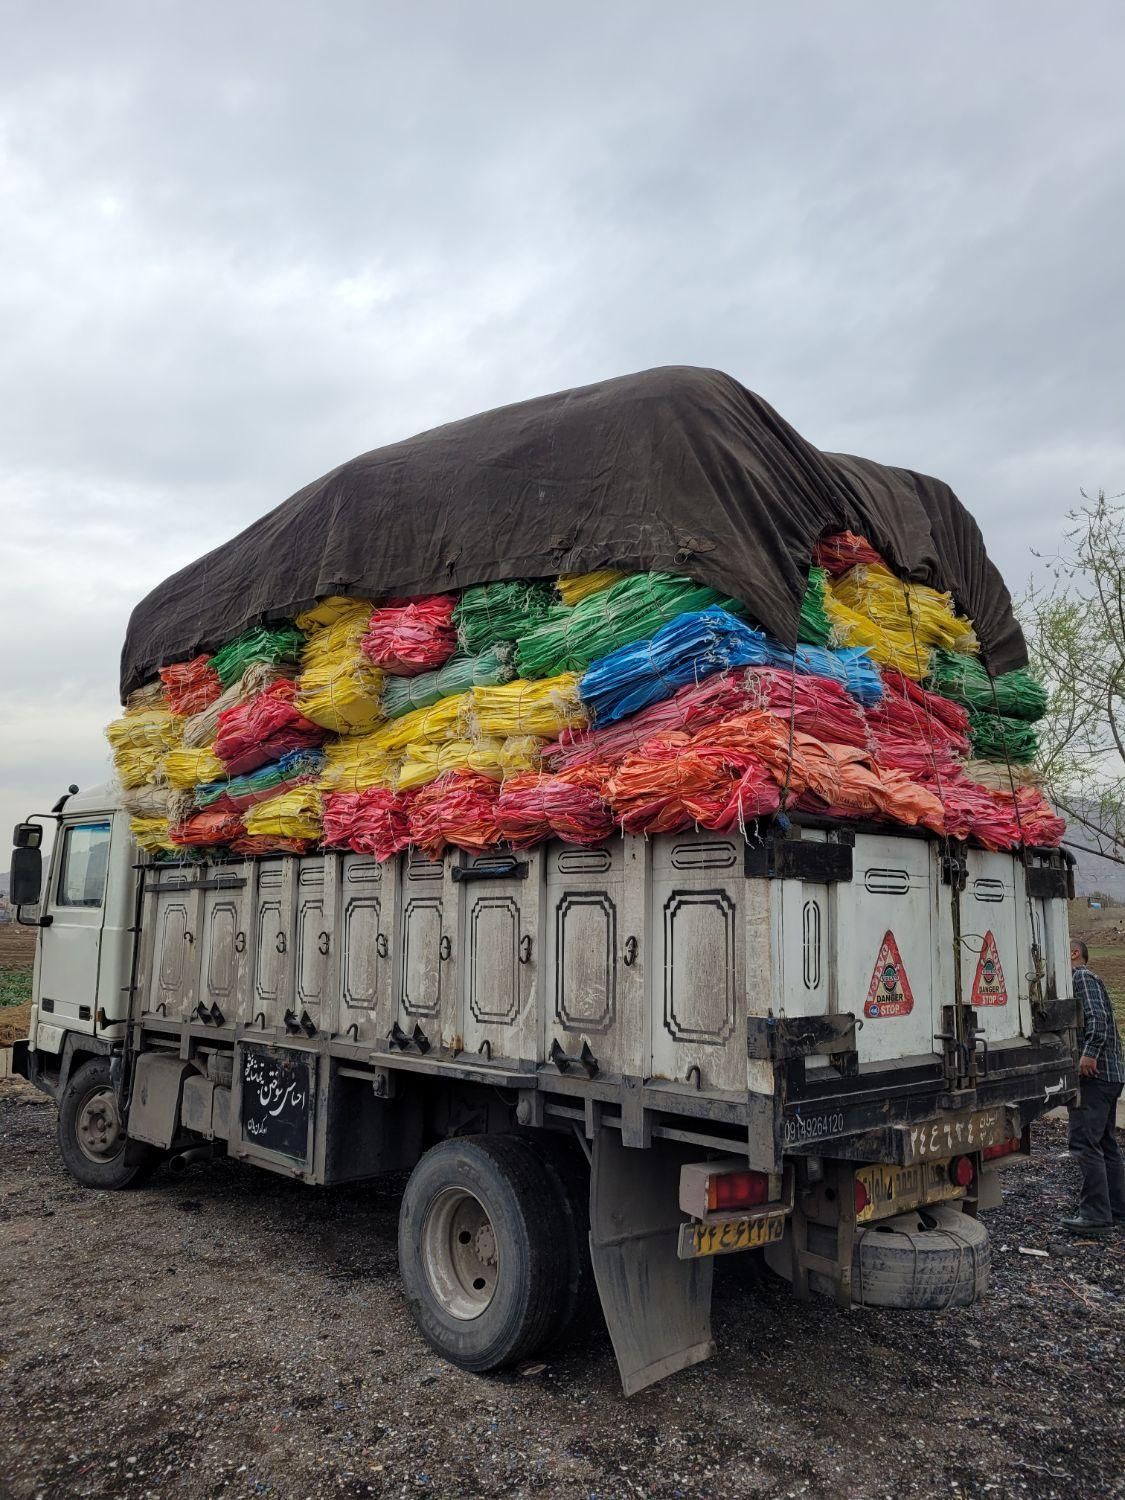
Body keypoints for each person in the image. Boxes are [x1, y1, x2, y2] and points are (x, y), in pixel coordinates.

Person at [1060, 939, 1125, 1234]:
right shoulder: (1089, 979)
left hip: (1096, 1076)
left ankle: (1096, 1214)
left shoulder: (1082, 977)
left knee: (1085, 1142)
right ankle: (1115, 1207)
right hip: (1110, 1076)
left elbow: (1097, 1019)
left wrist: (1089, 1053)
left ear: (1074, 953)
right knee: (1106, 1143)